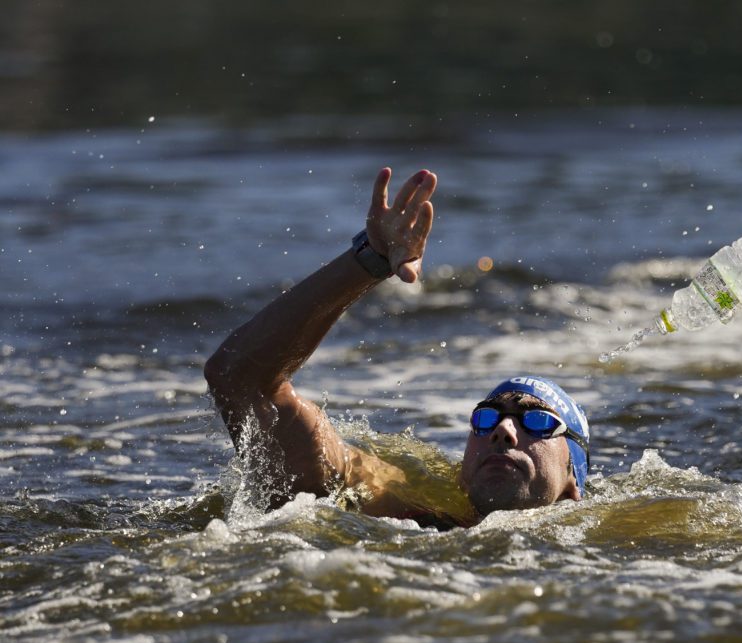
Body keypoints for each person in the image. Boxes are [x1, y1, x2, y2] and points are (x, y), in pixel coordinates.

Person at [204, 167, 590, 528]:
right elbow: (240, 377)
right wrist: (368, 260)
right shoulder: (398, 506)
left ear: (573, 480)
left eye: (538, 421)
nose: (503, 430)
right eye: (485, 418)